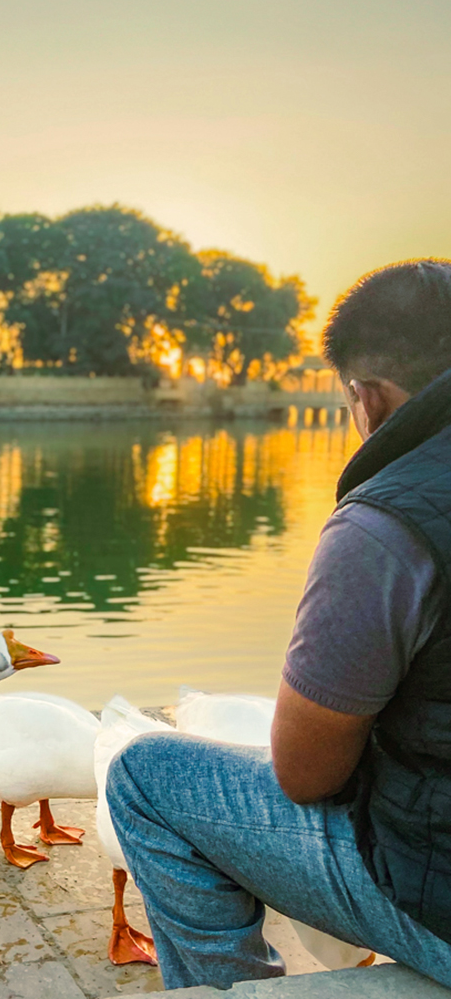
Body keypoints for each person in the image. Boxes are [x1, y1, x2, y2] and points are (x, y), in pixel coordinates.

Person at [107, 258, 451, 990]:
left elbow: (304, 772)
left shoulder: (387, 526)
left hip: (440, 893)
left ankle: (229, 986)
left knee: (144, 774)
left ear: (369, 398)